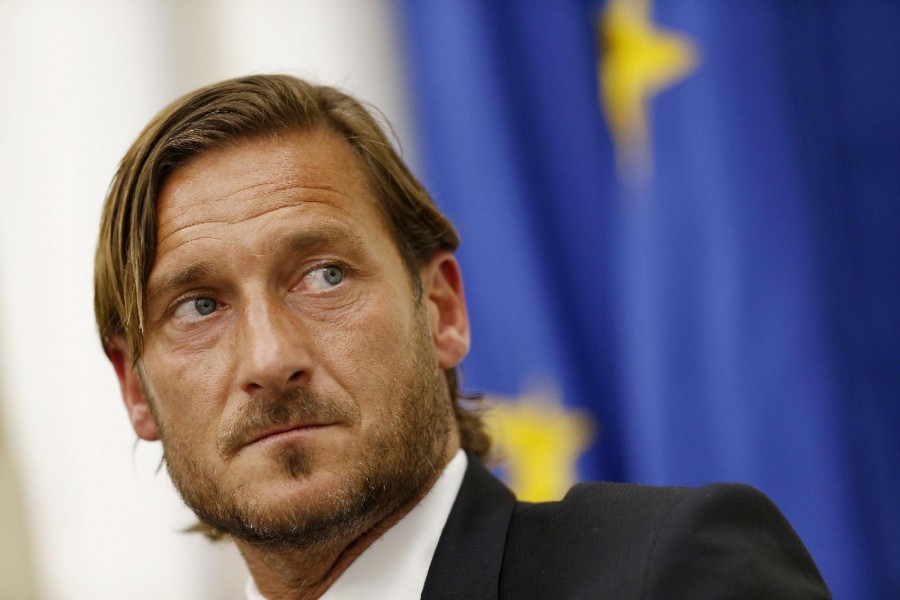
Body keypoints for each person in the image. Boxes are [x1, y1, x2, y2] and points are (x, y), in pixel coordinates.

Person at [95, 74, 831, 599]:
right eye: (198, 307)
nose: (270, 358)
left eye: (324, 275)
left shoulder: (669, 573)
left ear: (443, 309)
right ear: (136, 389)